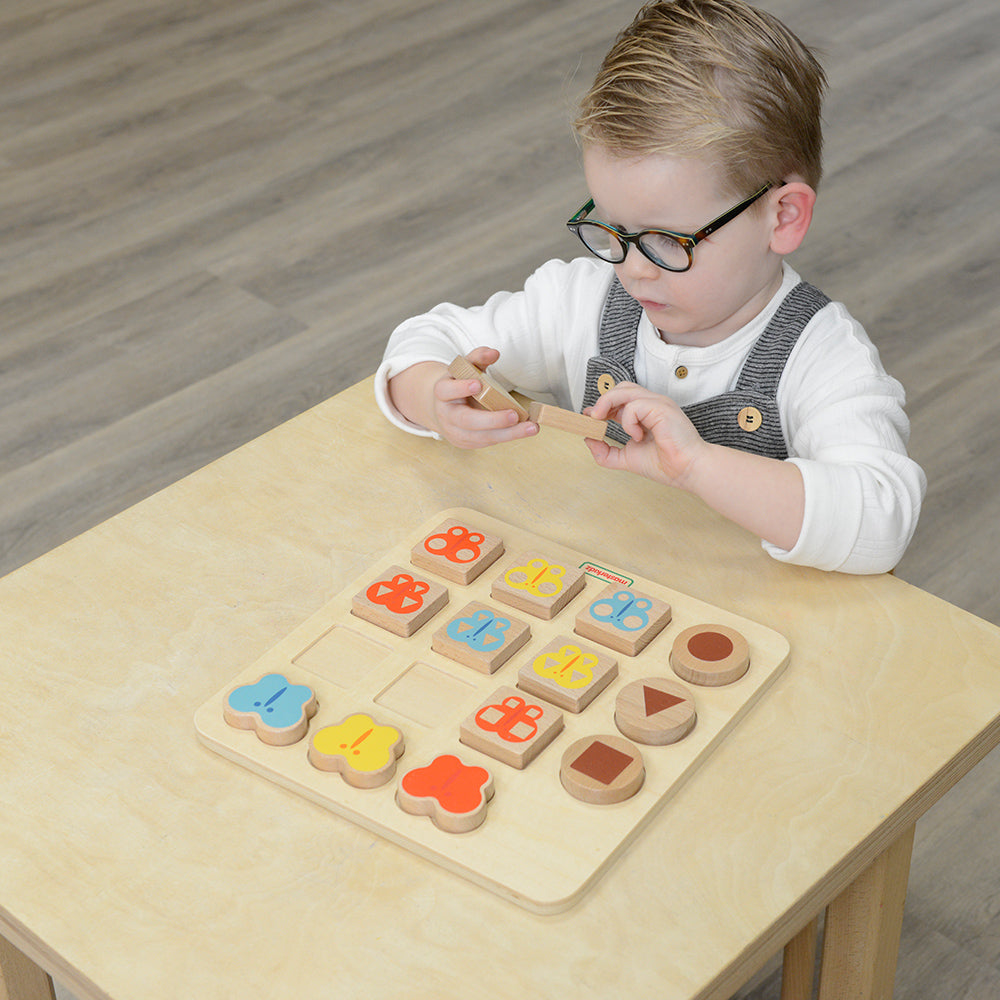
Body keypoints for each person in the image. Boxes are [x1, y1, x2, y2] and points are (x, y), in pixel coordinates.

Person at [374, 0, 925, 574]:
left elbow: (882, 523)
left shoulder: (824, 358)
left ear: (782, 217)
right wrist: (437, 402)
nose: (634, 269)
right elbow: (425, 339)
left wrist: (697, 466)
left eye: (668, 240)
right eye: (613, 228)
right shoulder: (580, 303)